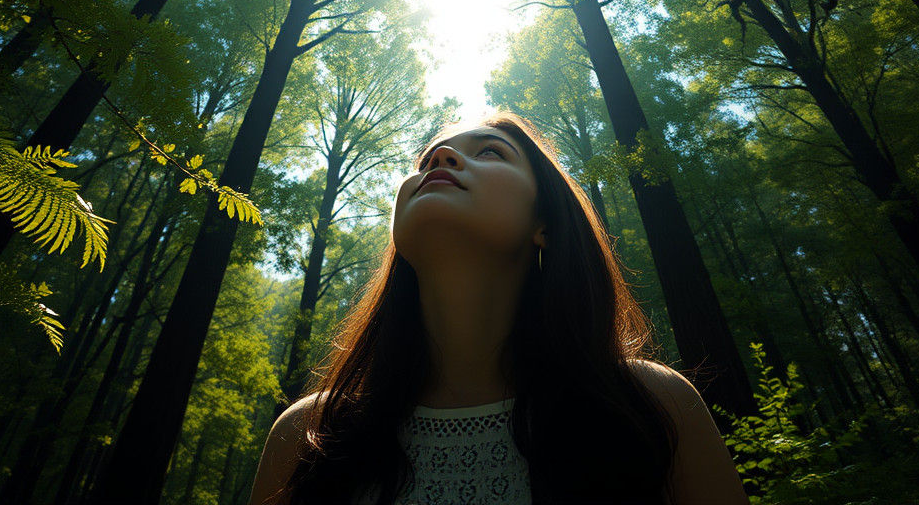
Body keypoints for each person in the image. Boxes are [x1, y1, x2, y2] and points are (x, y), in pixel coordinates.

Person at [249, 111, 749, 505]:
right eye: (425, 161)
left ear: (546, 224)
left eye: (490, 151)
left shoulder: (649, 404)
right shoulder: (308, 434)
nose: (439, 157)